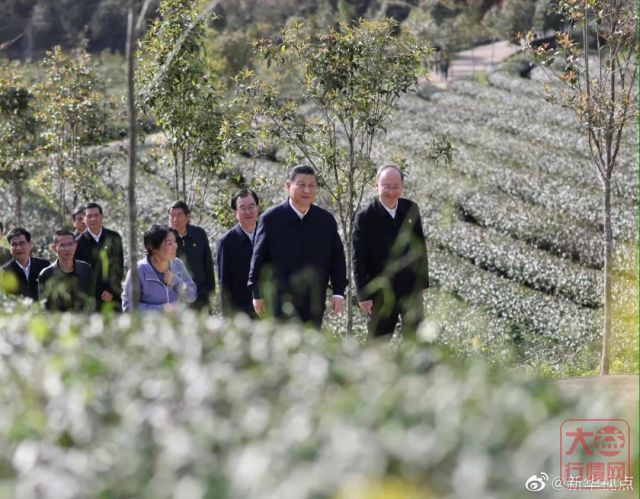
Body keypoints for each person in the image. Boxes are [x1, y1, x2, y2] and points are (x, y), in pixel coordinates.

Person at [248, 165, 347, 328]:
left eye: (311, 186)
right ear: (288, 186)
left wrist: (338, 292)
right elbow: (258, 259)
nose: (307, 190)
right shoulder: (270, 219)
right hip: (278, 301)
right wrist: (257, 294)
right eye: (301, 185)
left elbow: (337, 258)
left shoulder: (325, 220)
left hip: (314, 302)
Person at [352, 164, 429, 338]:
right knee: (379, 342)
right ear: (376, 185)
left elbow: (420, 248)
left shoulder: (411, 209)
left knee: (416, 339)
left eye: (396, 187)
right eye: (386, 186)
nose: (391, 191)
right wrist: (363, 295)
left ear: (402, 187)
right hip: (381, 292)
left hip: (410, 288)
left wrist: (423, 281)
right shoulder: (365, 217)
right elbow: (359, 259)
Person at [121, 224, 197, 312]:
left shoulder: (178, 264)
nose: (175, 247)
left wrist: (176, 282)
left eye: (175, 241)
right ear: (153, 247)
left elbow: (192, 296)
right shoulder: (138, 271)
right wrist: (163, 309)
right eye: (169, 243)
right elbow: (128, 307)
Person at [216, 189, 260, 318]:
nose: (248, 212)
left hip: (269, 311)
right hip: (242, 314)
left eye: (251, 206)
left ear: (258, 208)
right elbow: (224, 284)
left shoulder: (270, 235)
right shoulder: (226, 242)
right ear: (235, 212)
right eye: (242, 208)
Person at [75, 202, 124, 312]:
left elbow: (119, 266)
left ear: (102, 217)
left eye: (96, 215)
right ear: (84, 219)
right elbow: (80, 273)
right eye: (89, 216)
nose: (93, 219)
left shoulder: (114, 237)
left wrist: (111, 290)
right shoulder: (78, 243)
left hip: (113, 296)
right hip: (90, 299)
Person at [168, 201, 215, 310]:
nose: (175, 219)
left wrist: (210, 290)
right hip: (176, 297)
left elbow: (207, 262)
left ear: (187, 216)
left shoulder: (199, 233)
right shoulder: (165, 237)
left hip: (201, 294)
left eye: (179, 215)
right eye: (172, 215)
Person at [38, 229, 95, 312]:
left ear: (75, 246)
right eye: (62, 245)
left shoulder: (86, 269)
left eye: (70, 244)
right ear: (54, 248)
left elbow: (92, 300)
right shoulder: (46, 274)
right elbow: (44, 308)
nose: (67, 249)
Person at [0, 227, 50, 300]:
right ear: (10, 248)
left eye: (21, 243)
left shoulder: (44, 265)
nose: (18, 248)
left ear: (30, 245)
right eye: (14, 244)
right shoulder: (4, 272)